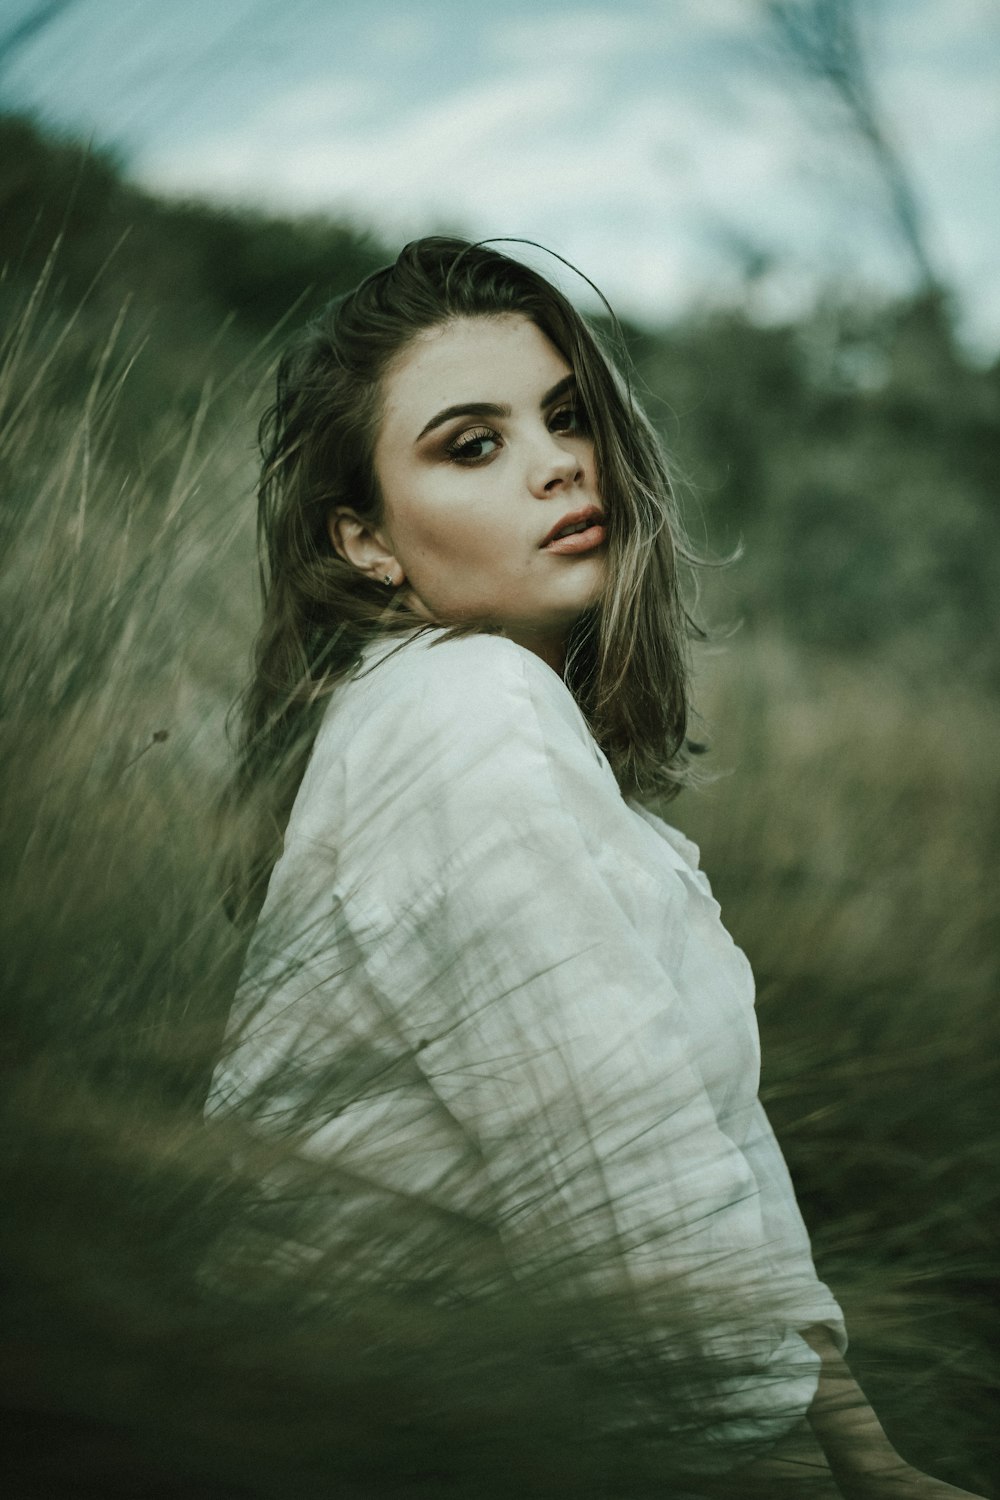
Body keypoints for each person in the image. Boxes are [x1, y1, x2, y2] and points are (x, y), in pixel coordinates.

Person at [208, 238, 984, 1497]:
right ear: (366, 541)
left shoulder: (468, 716)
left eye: (565, 418)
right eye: (473, 444)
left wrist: (867, 1456)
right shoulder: (465, 712)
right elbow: (610, 1173)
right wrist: (790, 1469)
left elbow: (696, 1138)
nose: (559, 461)